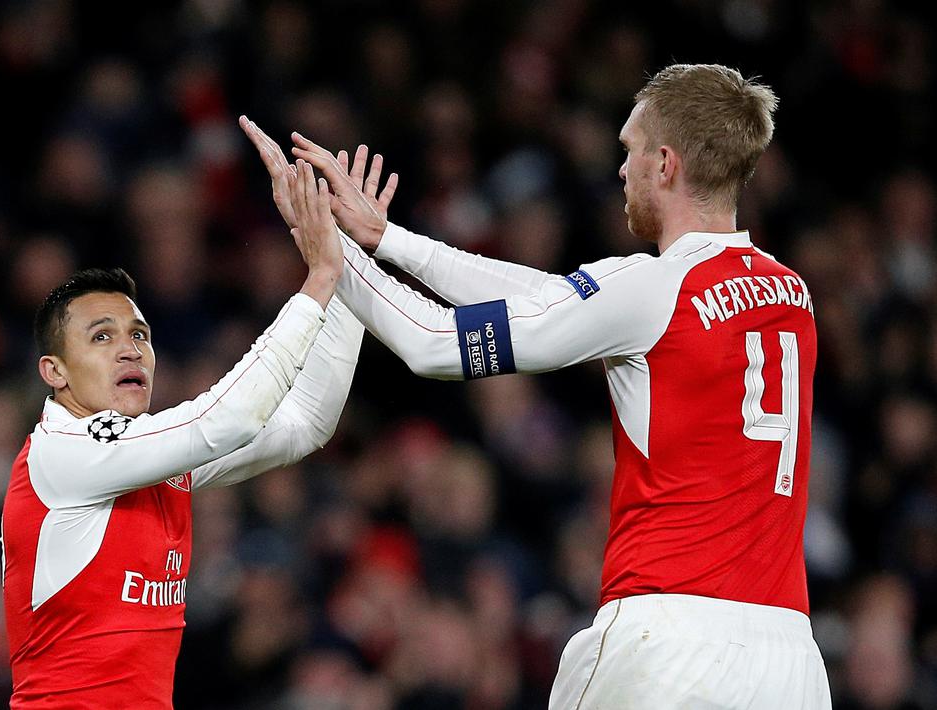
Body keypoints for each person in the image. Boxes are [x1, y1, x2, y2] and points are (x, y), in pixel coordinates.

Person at [256, 63, 831, 708]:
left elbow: (433, 342)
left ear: (666, 164)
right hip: (789, 658)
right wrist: (391, 240)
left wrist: (332, 253)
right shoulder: (792, 295)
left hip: (668, 639)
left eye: (631, 150)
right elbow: (550, 298)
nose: (622, 170)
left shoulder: (653, 288)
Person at [0, 156, 363, 706]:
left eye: (139, 334)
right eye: (101, 337)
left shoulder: (149, 462)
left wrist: (350, 260)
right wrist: (319, 279)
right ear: (55, 372)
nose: (130, 349)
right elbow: (227, 419)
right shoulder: (64, 454)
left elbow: (304, 424)